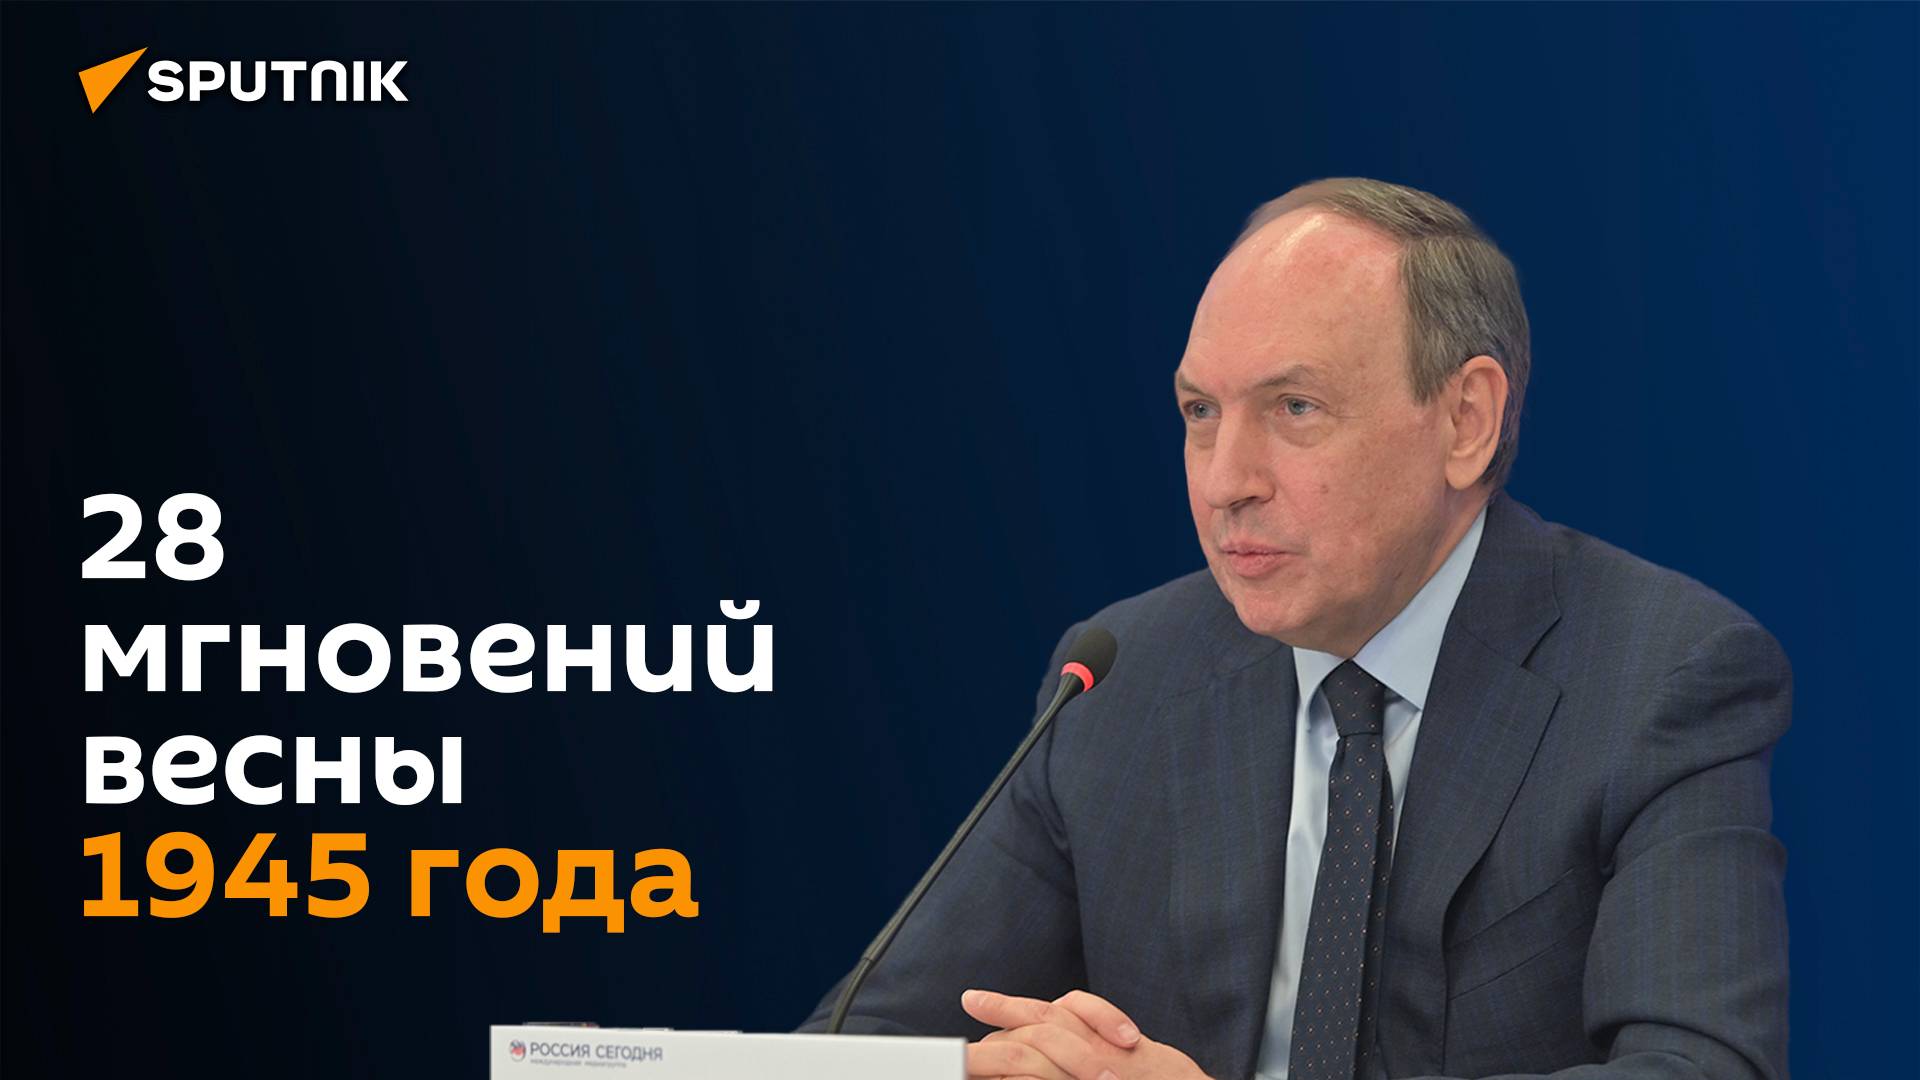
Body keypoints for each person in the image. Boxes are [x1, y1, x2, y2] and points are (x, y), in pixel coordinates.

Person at [801, 178, 1791, 1080]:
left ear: (1466, 421)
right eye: (1200, 411)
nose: (1226, 481)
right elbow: (853, 1046)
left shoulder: (1662, 675)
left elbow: (1701, 1071)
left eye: (1295, 405)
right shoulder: (1119, 675)